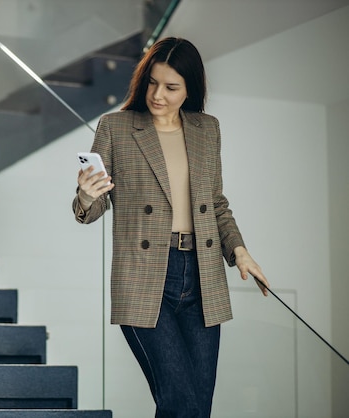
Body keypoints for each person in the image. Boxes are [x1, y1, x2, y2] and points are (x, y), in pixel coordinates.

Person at [72, 37, 270, 417]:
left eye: (171, 87)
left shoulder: (206, 129)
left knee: (197, 408)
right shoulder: (116, 127)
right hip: (144, 278)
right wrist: (84, 194)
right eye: (152, 82)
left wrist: (240, 252)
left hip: (202, 277)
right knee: (180, 401)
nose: (157, 94)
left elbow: (216, 204)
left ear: (190, 89)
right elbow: (93, 207)